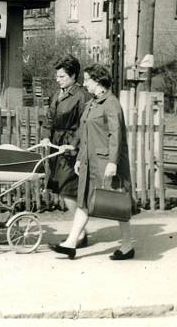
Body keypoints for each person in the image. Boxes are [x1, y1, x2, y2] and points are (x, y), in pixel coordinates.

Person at [50, 63, 138, 260]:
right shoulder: (92, 103)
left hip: (106, 163)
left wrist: (113, 162)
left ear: (98, 81)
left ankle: (127, 246)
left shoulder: (111, 103)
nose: (84, 83)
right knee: (84, 201)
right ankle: (71, 243)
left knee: (117, 203)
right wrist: (78, 156)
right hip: (90, 162)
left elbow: (116, 135)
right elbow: (84, 133)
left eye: (87, 79)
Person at [40, 54, 92, 248]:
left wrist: (73, 144)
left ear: (73, 76)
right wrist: (46, 135)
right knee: (62, 188)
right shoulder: (57, 94)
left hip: (71, 147)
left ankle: (80, 233)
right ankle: (80, 231)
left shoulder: (82, 96)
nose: (58, 79)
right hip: (57, 144)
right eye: (57, 76)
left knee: (67, 189)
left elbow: (84, 124)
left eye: (62, 76)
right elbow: (49, 119)